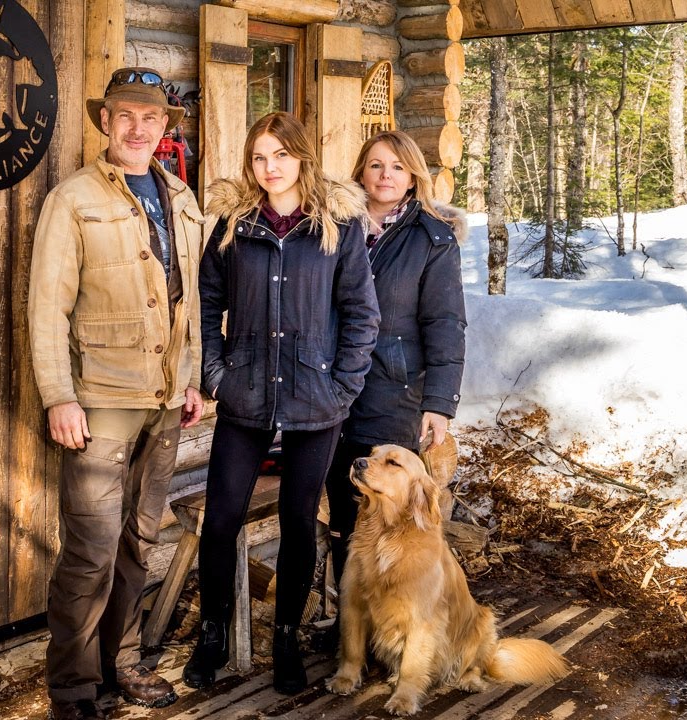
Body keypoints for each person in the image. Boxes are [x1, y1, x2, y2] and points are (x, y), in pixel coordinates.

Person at [28, 67, 206, 720]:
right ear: (104, 121)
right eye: (125, 115)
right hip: (100, 403)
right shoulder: (72, 200)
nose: (138, 127)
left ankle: (121, 665)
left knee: (138, 543)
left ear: (164, 128)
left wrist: (190, 377)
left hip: (162, 403)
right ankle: (73, 690)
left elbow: (186, 303)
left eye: (151, 117)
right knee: (92, 550)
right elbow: (48, 307)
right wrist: (59, 396)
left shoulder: (182, 198)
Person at [183, 111, 380, 695]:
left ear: (302, 159)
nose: (270, 168)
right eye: (260, 157)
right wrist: (215, 372)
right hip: (245, 394)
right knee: (220, 519)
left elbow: (361, 316)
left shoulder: (336, 227)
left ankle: (287, 636)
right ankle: (213, 633)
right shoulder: (233, 224)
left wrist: (342, 386)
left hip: (315, 400)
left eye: (281, 156)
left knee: (299, 524)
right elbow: (204, 303)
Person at [323, 130, 468, 595]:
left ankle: (392, 618)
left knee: (383, 512)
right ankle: (351, 622)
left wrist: (440, 402)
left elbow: (446, 322)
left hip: (392, 391)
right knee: (341, 510)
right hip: (327, 384)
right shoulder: (333, 224)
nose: (386, 176)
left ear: (412, 178)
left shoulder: (432, 237)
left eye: (397, 167)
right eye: (376, 165)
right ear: (361, 173)